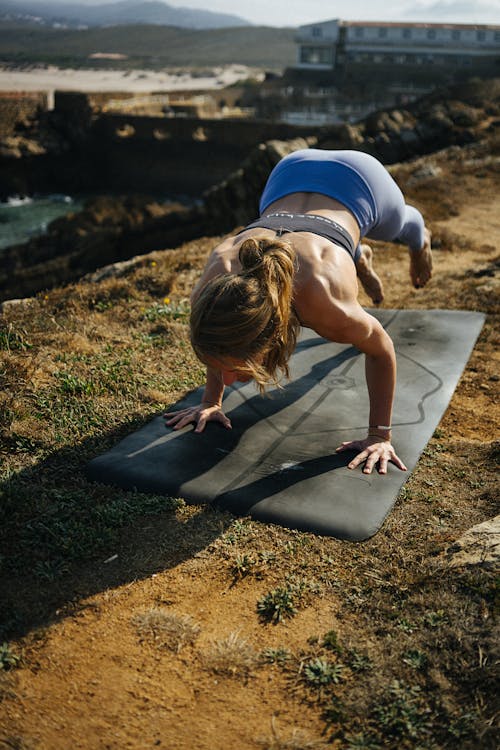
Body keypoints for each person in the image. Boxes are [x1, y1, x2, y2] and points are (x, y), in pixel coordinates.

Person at [164, 149, 433, 475]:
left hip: (362, 181)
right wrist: (211, 400)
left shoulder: (322, 300)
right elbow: (220, 341)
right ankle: (356, 257)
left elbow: (381, 350)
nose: (231, 381)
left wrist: (379, 435)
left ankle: (419, 241)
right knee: (337, 247)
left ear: (270, 332)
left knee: (399, 225)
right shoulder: (213, 286)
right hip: (288, 174)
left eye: (235, 369)